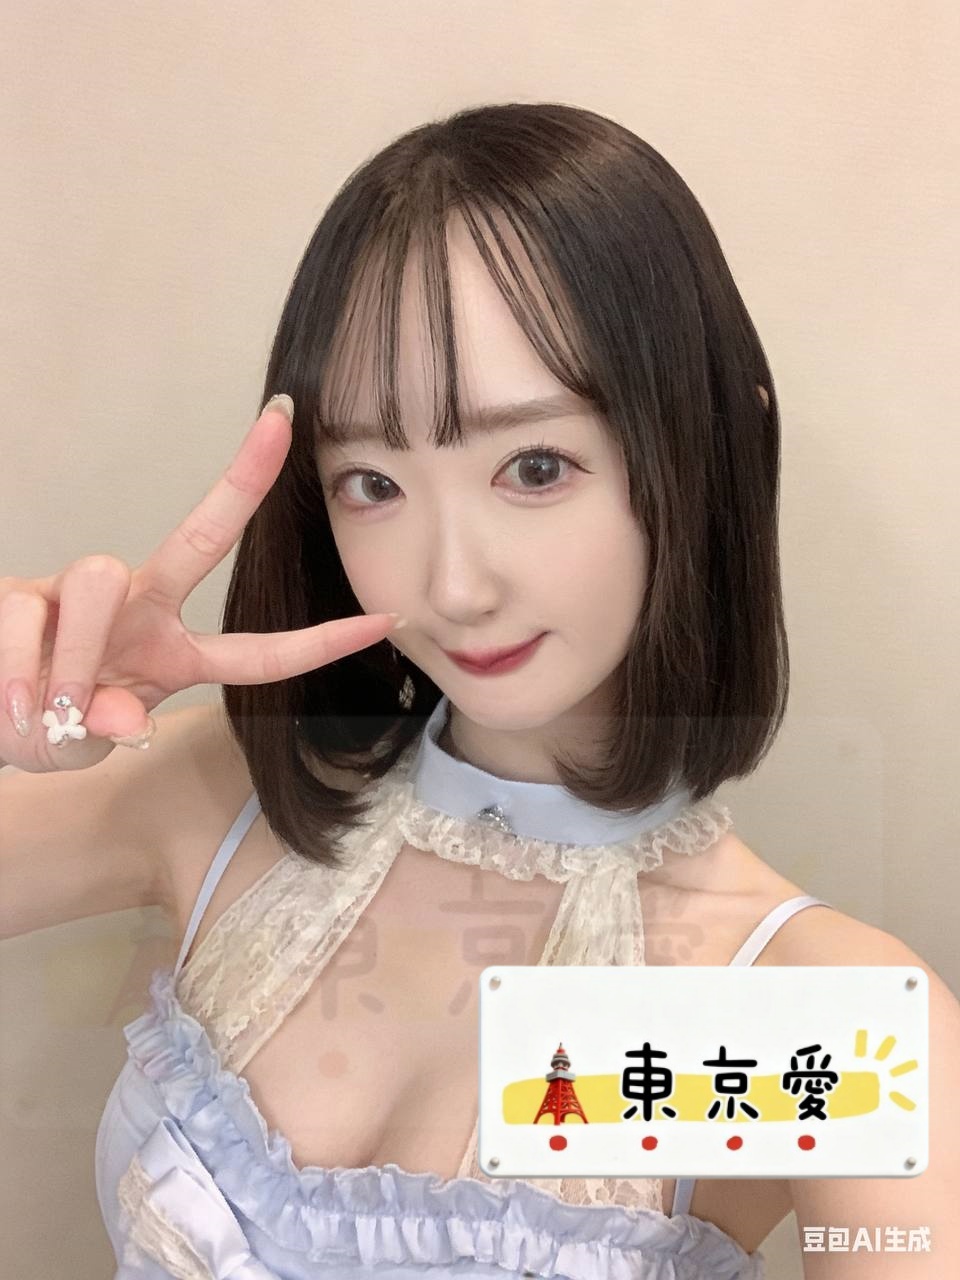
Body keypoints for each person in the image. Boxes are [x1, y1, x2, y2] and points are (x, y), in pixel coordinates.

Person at [1, 102, 957, 1279]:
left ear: (709, 449)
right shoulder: (223, 792)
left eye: (534, 466)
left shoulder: (818, 1014)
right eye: (372, 481)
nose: (450, 585)